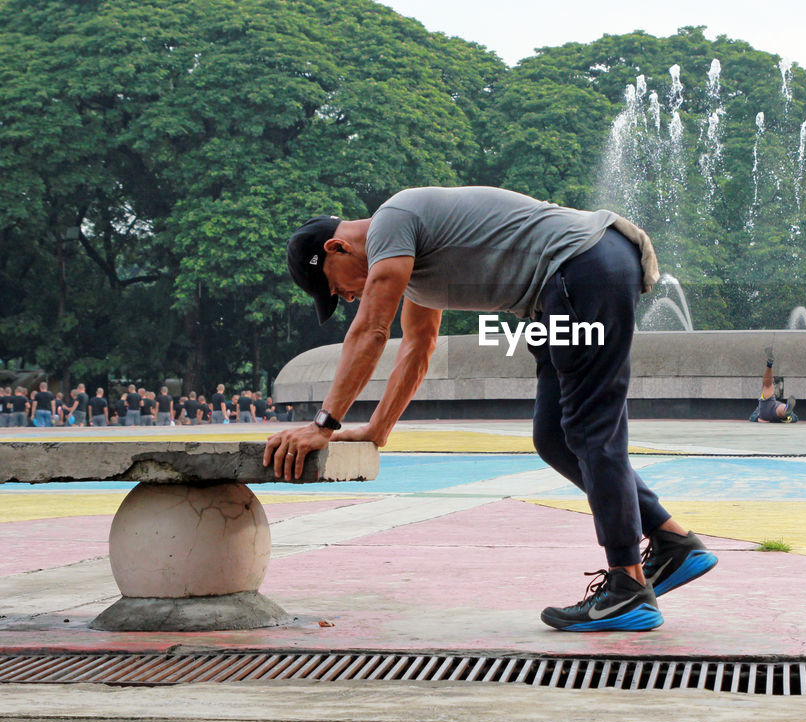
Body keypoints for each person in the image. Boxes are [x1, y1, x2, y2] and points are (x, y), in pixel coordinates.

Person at [265, 186, 718, 632]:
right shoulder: (412, 260)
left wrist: (322, 425)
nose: (344, 298)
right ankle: (672, 541)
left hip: (583, 268)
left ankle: (627, 586)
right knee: (556, 438)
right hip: (574, 280)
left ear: (337, 247)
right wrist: (377, 430)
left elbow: (371, 330)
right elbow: (418, 348)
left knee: (589, 430)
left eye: (332, 286)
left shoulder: (393, 220)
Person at [747, 347, 797, 423]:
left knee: (767, 388)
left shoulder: (760, 408)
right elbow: (795, 418)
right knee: (768, 389)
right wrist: (789, 419)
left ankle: (769, 364)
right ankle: (785, 412)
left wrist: (758, 420)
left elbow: (752, 418)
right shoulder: (768, 405)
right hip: (771, 410)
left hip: (767, 411)